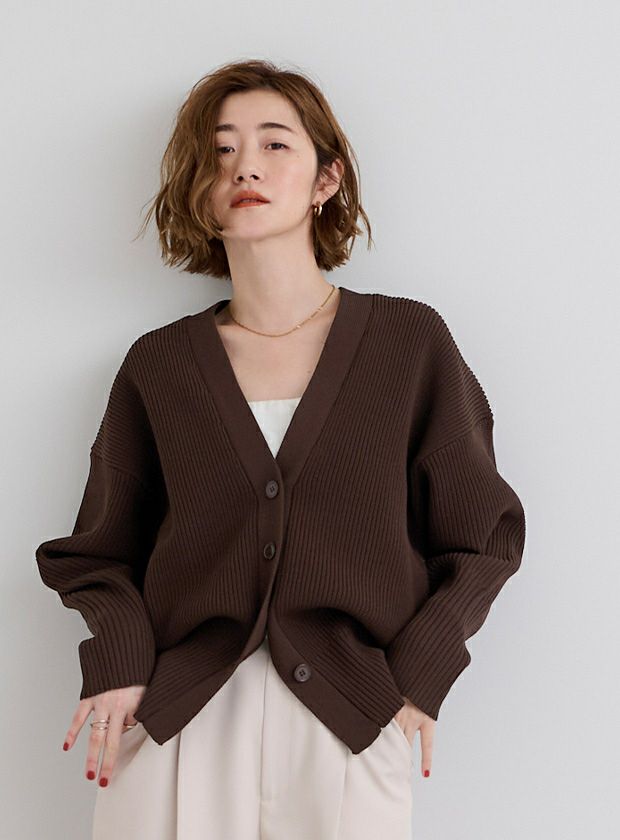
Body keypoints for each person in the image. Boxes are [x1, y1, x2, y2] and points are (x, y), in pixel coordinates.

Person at [35, 59, 526, 840]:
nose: (245, 167)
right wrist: (121, 661)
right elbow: (98, 552)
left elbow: (484, 536)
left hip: (347, 718)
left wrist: (418, 675)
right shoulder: (161, 365)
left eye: (274, 144)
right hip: (179, 718)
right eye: (220, 151)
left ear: (326, 179)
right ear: (200, 189)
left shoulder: (408, 343)